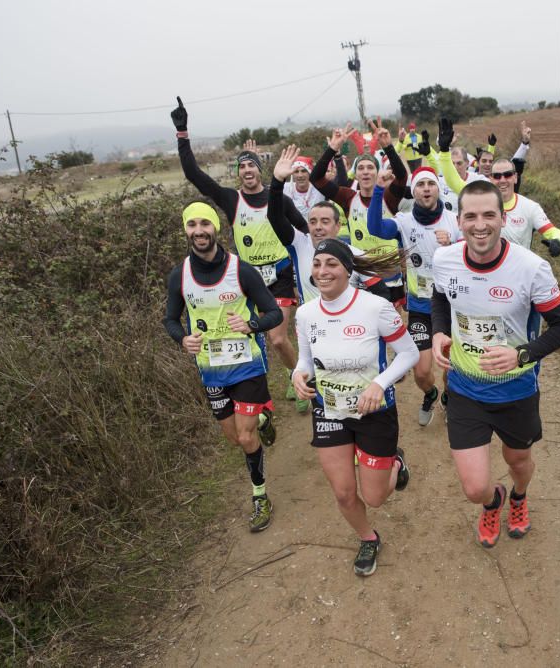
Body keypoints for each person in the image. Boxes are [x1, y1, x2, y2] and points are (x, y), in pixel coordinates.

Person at [431, 180, 560, 548]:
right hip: (465, 386)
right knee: (474, 487)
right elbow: (439, 299)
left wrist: (522, 353)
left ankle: (519, 496)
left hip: (516, 389)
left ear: (503, 218)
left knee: (518, 460)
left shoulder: (532, 268)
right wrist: (438, 332)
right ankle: (494, 501)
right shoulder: (444, 260)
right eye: (471, 216)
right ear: (459, 221)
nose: (480, 225)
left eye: (489, 215)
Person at [291, 239, 419, 576]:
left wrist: (379, 384)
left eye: (331, 263)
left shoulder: (375, 308)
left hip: (373, 413)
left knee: (375, 497)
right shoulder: (305, 314)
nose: (322, 271)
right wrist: (298, 375)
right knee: (345, 494)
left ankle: (396, 461)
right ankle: (368, 538)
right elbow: (305, 359)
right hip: (329, 411)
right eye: (317, 264)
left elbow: (409, 353)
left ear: (348, 269)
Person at [171, 97, 306, 412]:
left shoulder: (278, 198)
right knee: (248, 338)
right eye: (242, 166)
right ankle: (256, 399)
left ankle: (296, 376)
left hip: (281, 273)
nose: (247, 170)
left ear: (259, 171)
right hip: (246, 277)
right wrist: (182, 134)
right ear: (238, 173)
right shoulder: (231, 200)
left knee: (277, 339)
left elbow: (304, 230)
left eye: (251, 165)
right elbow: (195, 175)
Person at [163, 202, 284, 532]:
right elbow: (170, 319)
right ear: (186, 231)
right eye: (192, 225)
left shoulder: (241, 270)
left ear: (215, 228)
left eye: (205, 223)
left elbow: (272, 313)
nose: (199, 231)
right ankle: (262, 417)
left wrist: (251, 324)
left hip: (246, 365)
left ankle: (260, 495)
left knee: (246, 438)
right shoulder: (180, 275)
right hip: (211, 369)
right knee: (235, 438)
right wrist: (182, 340)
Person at [367, 167, 460, 426]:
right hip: (420, 306)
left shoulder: (454, 221)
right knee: (421, 371)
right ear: (414, 191)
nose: (426, 188)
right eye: (421, 185)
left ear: (438, 189)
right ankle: (430, 394)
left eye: (431, 183)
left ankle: (449, 398)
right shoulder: (404, 221)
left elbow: (473, 255)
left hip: (452, 305)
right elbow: (375, 228)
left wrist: (454, 244)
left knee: (450, 367)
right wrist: (378, 190)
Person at [309, 120, 409, 306]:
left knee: (391, 325)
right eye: (360, 168)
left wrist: (387, 146)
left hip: (388, 271)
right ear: (355, 174)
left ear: (377, 173)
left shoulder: (388, 197)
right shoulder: (348, 198)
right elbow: (315, 178)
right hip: (362, 272)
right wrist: (332, 149)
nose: (365, 172)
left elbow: (402, 176)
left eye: (370, 167)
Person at [268, 144, 381, 304]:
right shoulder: (300, 244)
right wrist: (277, 181)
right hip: (311, 327)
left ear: (337, 226)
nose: (318, 226)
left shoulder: (355, 254)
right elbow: (274, 217)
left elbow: (382, 294)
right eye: (313, 222)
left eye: (325, 221)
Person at [488, 157, 560, 257]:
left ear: (515, 177)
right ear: (491, 179)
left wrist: (558, 241)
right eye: (497, 176)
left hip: (519, 268)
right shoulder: (480, 205)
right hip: (488, 269)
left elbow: (552, 231)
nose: (502, 180)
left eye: (507, 175)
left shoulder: (530, 207)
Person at [282, 155, 326, 221]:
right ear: (292, 174)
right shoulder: (284, 189)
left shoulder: (320, 189)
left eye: (303, 171)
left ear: (310, 173)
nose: (300, 175)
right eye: (296, 172)